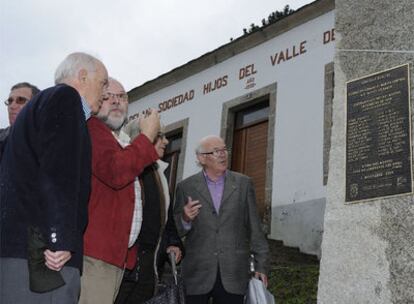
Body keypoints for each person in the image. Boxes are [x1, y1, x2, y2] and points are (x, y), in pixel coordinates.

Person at [0, 52, 108, 304]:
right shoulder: (65, 98)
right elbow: (59, 172)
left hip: (18, 253)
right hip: (44, 259)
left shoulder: (34, 113)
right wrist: (60, 238)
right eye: (103, 83)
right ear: (82, 75)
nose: (104, 93)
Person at [79, 77, 161, 304]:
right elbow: (116, 172)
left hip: (117, 258)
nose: (116, 102)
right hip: (96, 256)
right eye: (108, 96)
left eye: (122, 96)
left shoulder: (117, 140)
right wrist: (146, 137)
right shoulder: (92, 129)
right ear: (96, 100)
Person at [173, 135, 269, 304]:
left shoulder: (243, 184)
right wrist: (185, 218)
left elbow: (256, 229)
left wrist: (261, 266)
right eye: (216, 151)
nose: (223, 154)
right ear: (202, 158)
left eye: (224, 149)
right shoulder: (185, 187)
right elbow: (175, 230)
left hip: (234, 273)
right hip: (197, 274)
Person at [115, 130, 184, 304]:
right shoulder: (127, 167)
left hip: (150, 265)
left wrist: (173, 243)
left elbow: (165, 220)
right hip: (125, 265)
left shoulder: (159, 172)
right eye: (160, 136)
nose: (166, 141)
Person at [0, 82, 40, 153]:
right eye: (10, 101)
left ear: (36, 106)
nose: (12, 106)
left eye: (20, 100)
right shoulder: (1, 137)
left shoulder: (49, 141)